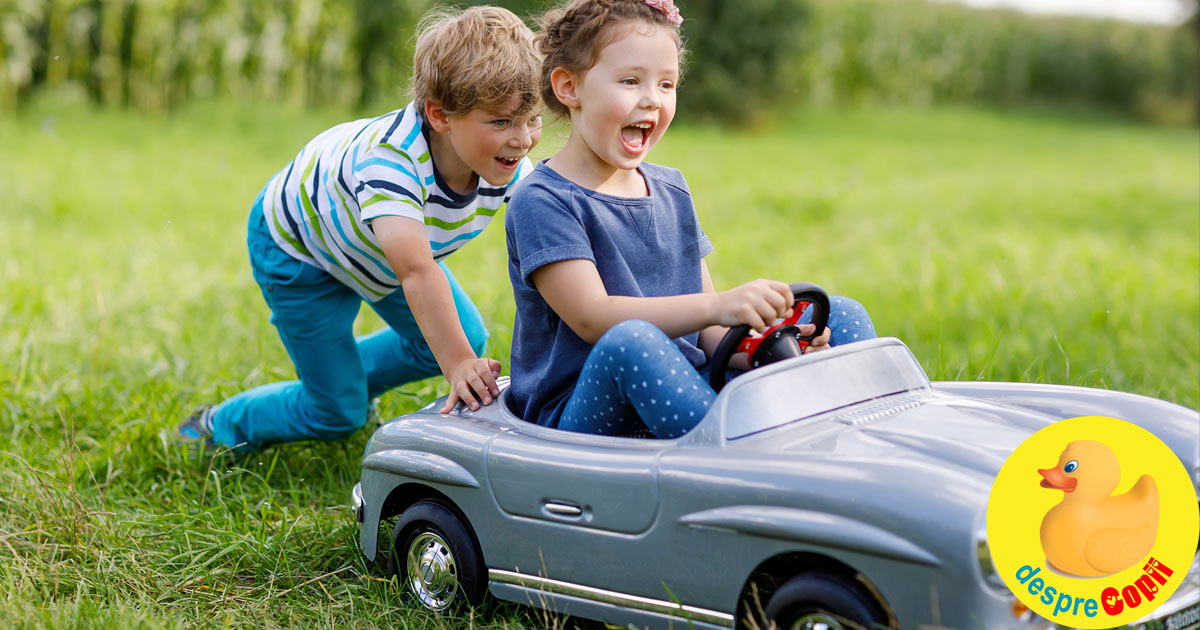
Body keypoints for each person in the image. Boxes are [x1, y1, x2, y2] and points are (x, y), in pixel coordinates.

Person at [505, 0, 876, 439]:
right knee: (631, 343)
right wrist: (718, 305)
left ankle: (849, 433)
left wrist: (770, 346)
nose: (651, 100)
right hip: (582, 418)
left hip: (683, 387)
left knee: (843, 314)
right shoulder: (543, 199)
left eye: (666, 84)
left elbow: (710, 335)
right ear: (569, 87)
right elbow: (593, 317)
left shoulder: (671, 189)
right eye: (630, 81)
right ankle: (739, 459)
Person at [179, 6, 544, 451]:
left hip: (374, 250)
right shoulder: (391, 162)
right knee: (337, 413)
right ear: (440, 115)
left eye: (532, 119)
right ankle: (217, 426)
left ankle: (347, 379)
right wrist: (460, 364)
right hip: (300, 249)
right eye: (502, 121)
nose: (523, 138)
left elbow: (548, 238)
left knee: (461, 335)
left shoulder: (507, 163)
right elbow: (416, 272)